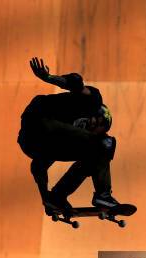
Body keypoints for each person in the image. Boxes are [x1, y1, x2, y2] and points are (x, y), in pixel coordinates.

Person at [18, 57, 122, 213]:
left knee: (91, 157)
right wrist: (49, 77)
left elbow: (38, 165)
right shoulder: (93, 101)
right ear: (97, 114)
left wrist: (45, 197)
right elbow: (75, 81)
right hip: (39, 118)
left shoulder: (66, 137)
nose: (89, 127)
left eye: (92, 129)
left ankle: (57, 197)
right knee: (104, 143)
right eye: (94, 123)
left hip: (31, 143)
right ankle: (103, 194)